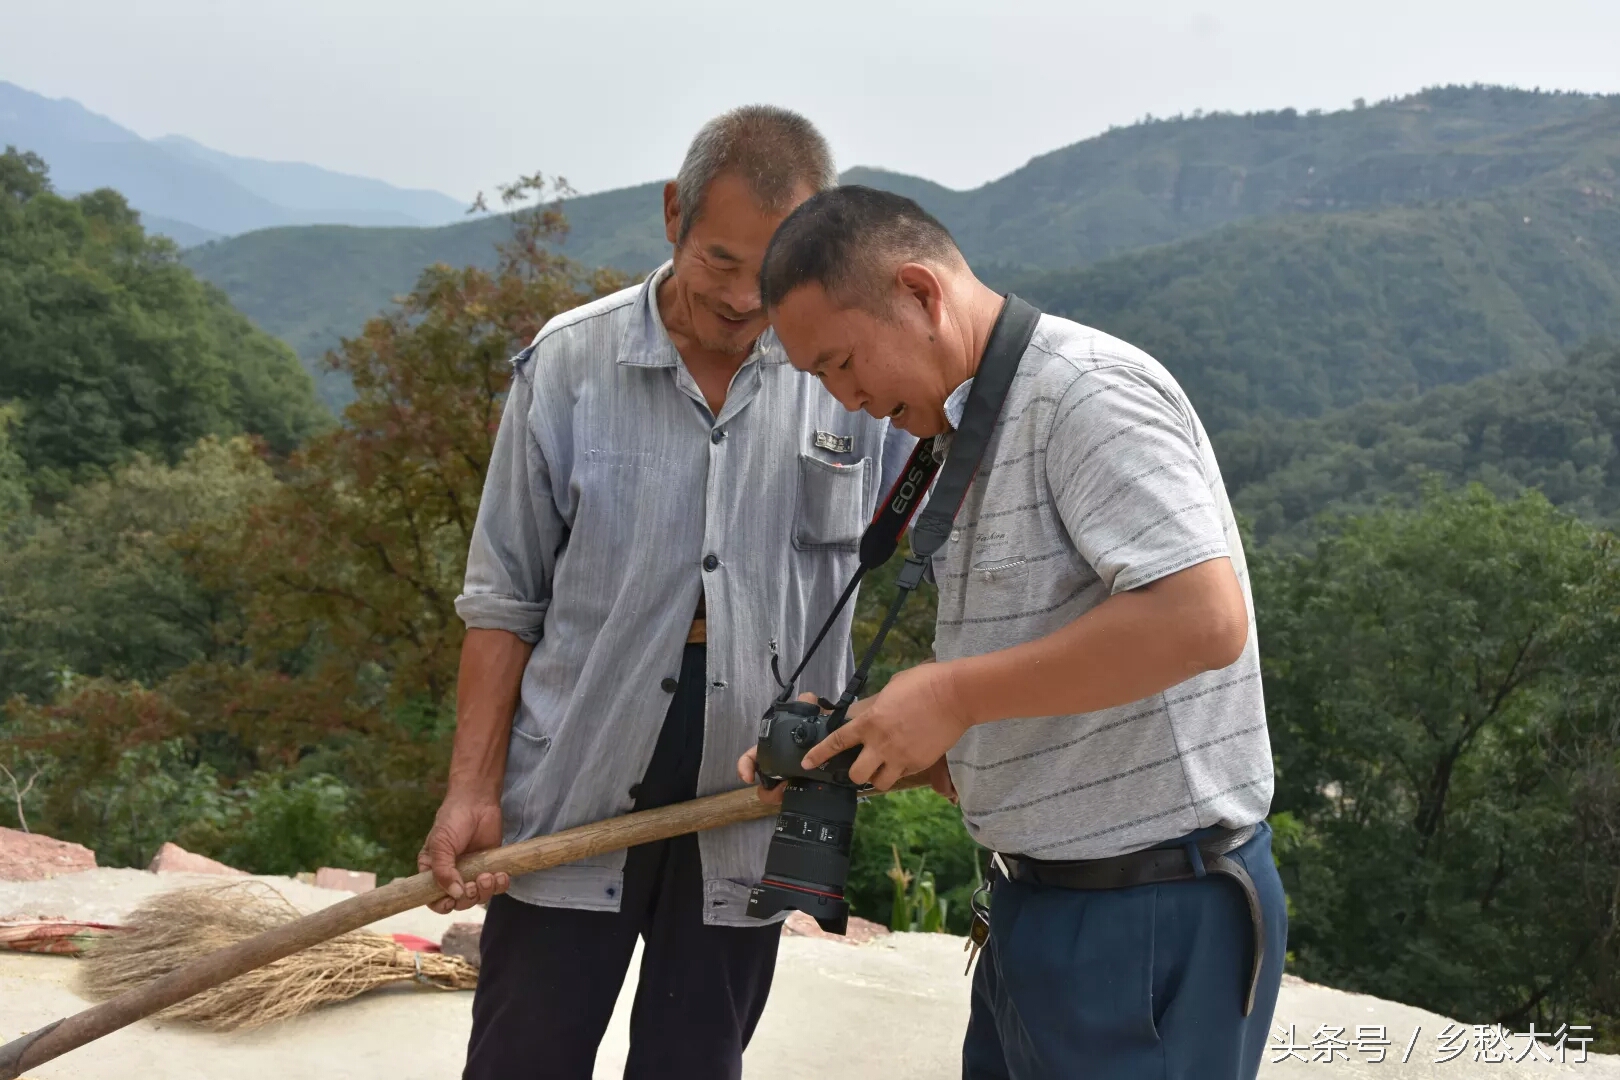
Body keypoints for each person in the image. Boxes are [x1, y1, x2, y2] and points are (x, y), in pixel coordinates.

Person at [740, 185, 1288, 1080]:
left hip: (1147, 910)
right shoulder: (964, 427)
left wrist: (952, 693)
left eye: (842, 362)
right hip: (1036, 906)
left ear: (919, 292)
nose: (845, 399)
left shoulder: (1083, 393)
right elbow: (1056, 669)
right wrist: (890, 745)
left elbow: (1201, 617)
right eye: (820, 380)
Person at [422, 113, 911, 1080]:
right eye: (720, 259)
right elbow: (504, 597)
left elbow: (928, 545)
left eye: (769, 273)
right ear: (673, 214)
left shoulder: (850, 381)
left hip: (754, 793)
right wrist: (472, 789)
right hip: (574, 779)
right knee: (524, 1053)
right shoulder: (570, 365)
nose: (739, 298)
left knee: (697, 1058)